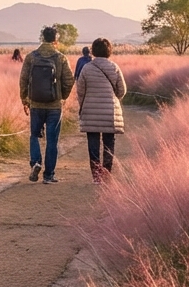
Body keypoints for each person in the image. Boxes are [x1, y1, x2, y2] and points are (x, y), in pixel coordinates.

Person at [19, 26, 74, 184]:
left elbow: (23, 80)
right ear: (56, 40)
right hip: (54, 106)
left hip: (35, 104)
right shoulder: (61, 58)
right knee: (52, 140)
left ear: (42, 38)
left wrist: (25, 99)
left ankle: (36, 162)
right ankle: (48, 175)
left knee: (34, 135)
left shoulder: (31, 57)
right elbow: (69, 80)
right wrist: (62, 96)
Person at [76, 37, 127, 183]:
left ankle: (97, 176)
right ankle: (107, 173)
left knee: (93, 143)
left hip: (91, 112)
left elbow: (80, 91)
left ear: (93, 51)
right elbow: (122, 90)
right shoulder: (115, 67)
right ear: (109, 51)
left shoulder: (87, 68)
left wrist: (84, 104)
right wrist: (114, 99)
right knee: (109, 143)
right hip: (110, 112)